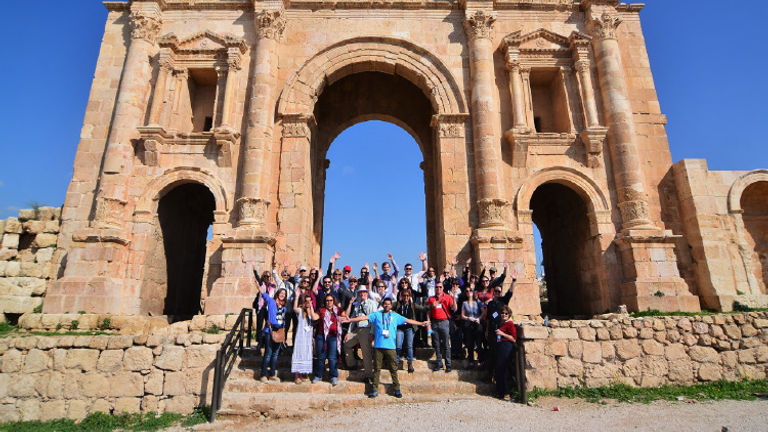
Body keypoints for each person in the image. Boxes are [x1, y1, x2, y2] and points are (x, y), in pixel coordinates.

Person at [343, 297, 426, 398]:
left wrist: (421, 323)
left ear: (391, 306)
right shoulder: (377, 315)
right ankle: (374, 390)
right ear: (383, 305)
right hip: (378, 347)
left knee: (393, 369)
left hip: (391, 347)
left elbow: (408, 320)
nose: (387, 305)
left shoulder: (395, 316)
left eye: (388, 304)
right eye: (385, 304)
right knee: (377, 369)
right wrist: (350, 319)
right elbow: (363, 318)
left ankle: (397, 389)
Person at [483, 269, 517, 376]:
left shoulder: (503, 301)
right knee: (491, 352)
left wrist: (514, 280)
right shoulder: (490, 304)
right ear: (493, 292)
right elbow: (489, 318)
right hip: (492, 330)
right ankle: (490, 375)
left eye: (499, 291)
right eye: (496, 291)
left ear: (501, 292)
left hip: (500, 331)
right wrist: (487, 330)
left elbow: (510, 292)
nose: (497, 293)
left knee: (499, 353)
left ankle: (500, 376)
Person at [343, 285, 378, 382]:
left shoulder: (372, 303)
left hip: (366, 329)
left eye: (364, 292)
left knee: (366, 353)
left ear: (367, 293)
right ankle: (352, 364)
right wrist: (349, 332)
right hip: (357, 329)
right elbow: (353, 319)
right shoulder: (357, 305)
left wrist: (372, 332)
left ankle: (368, 375)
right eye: (360, 292)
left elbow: (374, 319)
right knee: (346, 344)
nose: (362, 294)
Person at [257, 284, 288, 382]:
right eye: (281, 293)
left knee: (275, 355)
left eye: (284, 294)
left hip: (279, 332)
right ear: (277, 294)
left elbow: (283, 320)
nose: (282, 295)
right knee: (268, 354)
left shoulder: (284, 308)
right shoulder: (271, 302)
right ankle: (263, 375)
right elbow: (263, 294)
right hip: (270, 331)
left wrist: (283, 333)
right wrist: (258, 285)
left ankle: (272, 374)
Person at [313, 295, 344, 385]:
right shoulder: (321, 310)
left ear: (333, 301)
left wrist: (350, 304)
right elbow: (314, 317)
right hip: (321, 336)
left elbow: (345, 315)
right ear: (325, 301)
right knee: (320, 357)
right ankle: (318, 375)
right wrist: (310, 307)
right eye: (327, 300)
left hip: (333, 336)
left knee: (332, 357)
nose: (329, 302)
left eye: (331, 300)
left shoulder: (337, 310)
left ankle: (333, 376)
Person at [393, 284, 424, 373]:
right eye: (404, 295)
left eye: (407, 296)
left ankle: (410, 363)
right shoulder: (398, 304)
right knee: (398, 346)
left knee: (409, 346)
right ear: (401, 296)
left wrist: (432, 306)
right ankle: (396, 362)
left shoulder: (412, 305)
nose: (405, 297)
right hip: (400, 327)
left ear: (410, 296)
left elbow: (423, 308)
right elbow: (387, 306)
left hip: (410, 327)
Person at [427, 280, 456, 372]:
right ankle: (439, 364)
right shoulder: (431, 299)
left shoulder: (447, 297)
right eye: (437, 287)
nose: (438, 288)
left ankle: (448, 365)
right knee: (437, 344)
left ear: (443, 288)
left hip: (444, 322)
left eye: (440, 287)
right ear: (434, 288)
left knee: (446, 344)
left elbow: (454, 308)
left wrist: (454, 298)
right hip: (435, 322)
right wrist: (428, 324)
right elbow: (428, 312)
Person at [291, 291, 318, 383]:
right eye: (306, 301)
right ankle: (297, 375)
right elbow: (294, 308)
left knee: (306, 354)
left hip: (308, 337)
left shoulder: (312, 312)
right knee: (299, 353)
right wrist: (297, 296)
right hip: (300, 335)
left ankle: (303, 373)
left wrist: (311, 307)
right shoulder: (301, 311)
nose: (308, 302)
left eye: (310, 301)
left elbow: (314, 318)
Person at [494, 305, 518, 399]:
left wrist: (502, 333)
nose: (504, 314)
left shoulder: (510, 324)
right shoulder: (501, 322)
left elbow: (514, 338)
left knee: (503, 369)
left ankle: (506, 392)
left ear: (509, 315)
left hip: (506, 346)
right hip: (500, 346)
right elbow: (492, 314)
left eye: (506, 313)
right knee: (499, 369)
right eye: (502, 313)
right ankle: (500, 392)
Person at [460, 287, 484, 369]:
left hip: (477, 324)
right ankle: (471, 362)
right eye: (467, 291)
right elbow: (462, 315)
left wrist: (479, 318)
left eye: (470, 290)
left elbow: (483, 312)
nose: (468, 292)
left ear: (473, 292)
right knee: (470, 344)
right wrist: (468, 318)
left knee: (479, 344)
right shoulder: (464, 303)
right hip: (468, 325)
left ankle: (481, 361)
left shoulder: (477, 301)